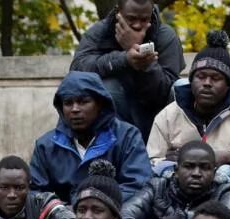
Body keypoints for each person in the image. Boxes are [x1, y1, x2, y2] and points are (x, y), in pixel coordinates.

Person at [30, 71, 152, 206]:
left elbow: (138, 186)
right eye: (68, 103)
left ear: (100, 104)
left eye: (83, 102)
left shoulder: (128, 136)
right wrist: (58, 210)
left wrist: (91, 205)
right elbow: (35, 193)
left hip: (115, 217)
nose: (75, 109)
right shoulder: (45, 145)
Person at [70, 0, 184, 140]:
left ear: (151, 14)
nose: (137, 25)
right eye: (131, 18)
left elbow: (165, 93)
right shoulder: (100, 32)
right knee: (105, 88)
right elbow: (77, 71)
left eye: (144, 19)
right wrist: (124, 59)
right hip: (113, 114)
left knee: (181, 87)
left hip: (154, 116)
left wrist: (146, 65)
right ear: (119, 12)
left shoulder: (165, 36)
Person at [146, 31, 230, 176]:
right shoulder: (169, 114)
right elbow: (151, 162)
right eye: (201, 76)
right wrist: (173, 165)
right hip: (180, 189)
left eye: (215, 78)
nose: (207, 83)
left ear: (228, 85)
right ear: (191, 81)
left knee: (225, 172)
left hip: (227, 188)